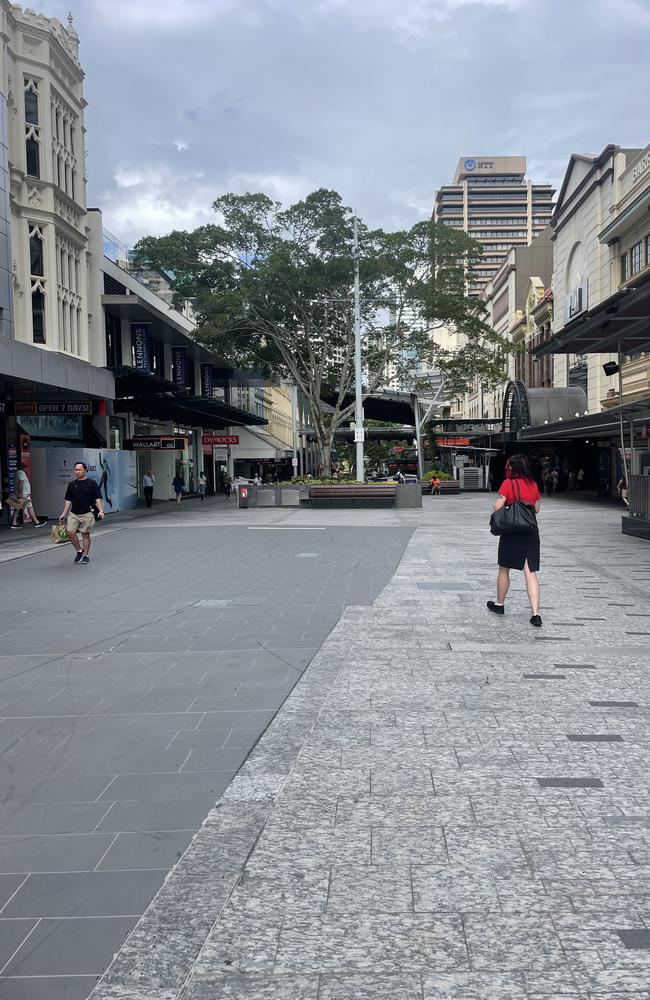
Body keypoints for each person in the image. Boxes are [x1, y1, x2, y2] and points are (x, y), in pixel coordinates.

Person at [487, 454, 543, 628]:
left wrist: (501, 506)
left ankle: (499, 604)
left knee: (504, 569)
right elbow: (537, 508)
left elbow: (498, 506)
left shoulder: (508, 483)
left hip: (512, 532)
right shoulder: (533, 484)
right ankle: (535, 614)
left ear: (512, 468)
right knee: (530, 572)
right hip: (530, 531)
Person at [59, 461, 104, 564]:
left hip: (87, 513)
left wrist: (101, 510)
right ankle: (79, 550)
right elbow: (68, 500)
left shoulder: (91, 483)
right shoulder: (71, 484)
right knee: (70, 532)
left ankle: (85, 555)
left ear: (85, 470)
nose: (77, 472)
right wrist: (64, 513)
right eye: (76, 470)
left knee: (85, 534)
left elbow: (98, 498)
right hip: (74, 514)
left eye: (79, 469)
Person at [9, 462, 44, 529]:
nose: (27, 469)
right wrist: (22, 495)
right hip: (23, 494)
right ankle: (37, 522)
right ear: (23, 468)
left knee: (17, 508)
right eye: (26, 468)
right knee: (29, 507)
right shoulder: (21, 473)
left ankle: (14, 523)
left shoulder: (16, 473)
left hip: (18, 493)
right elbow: (20, 484)